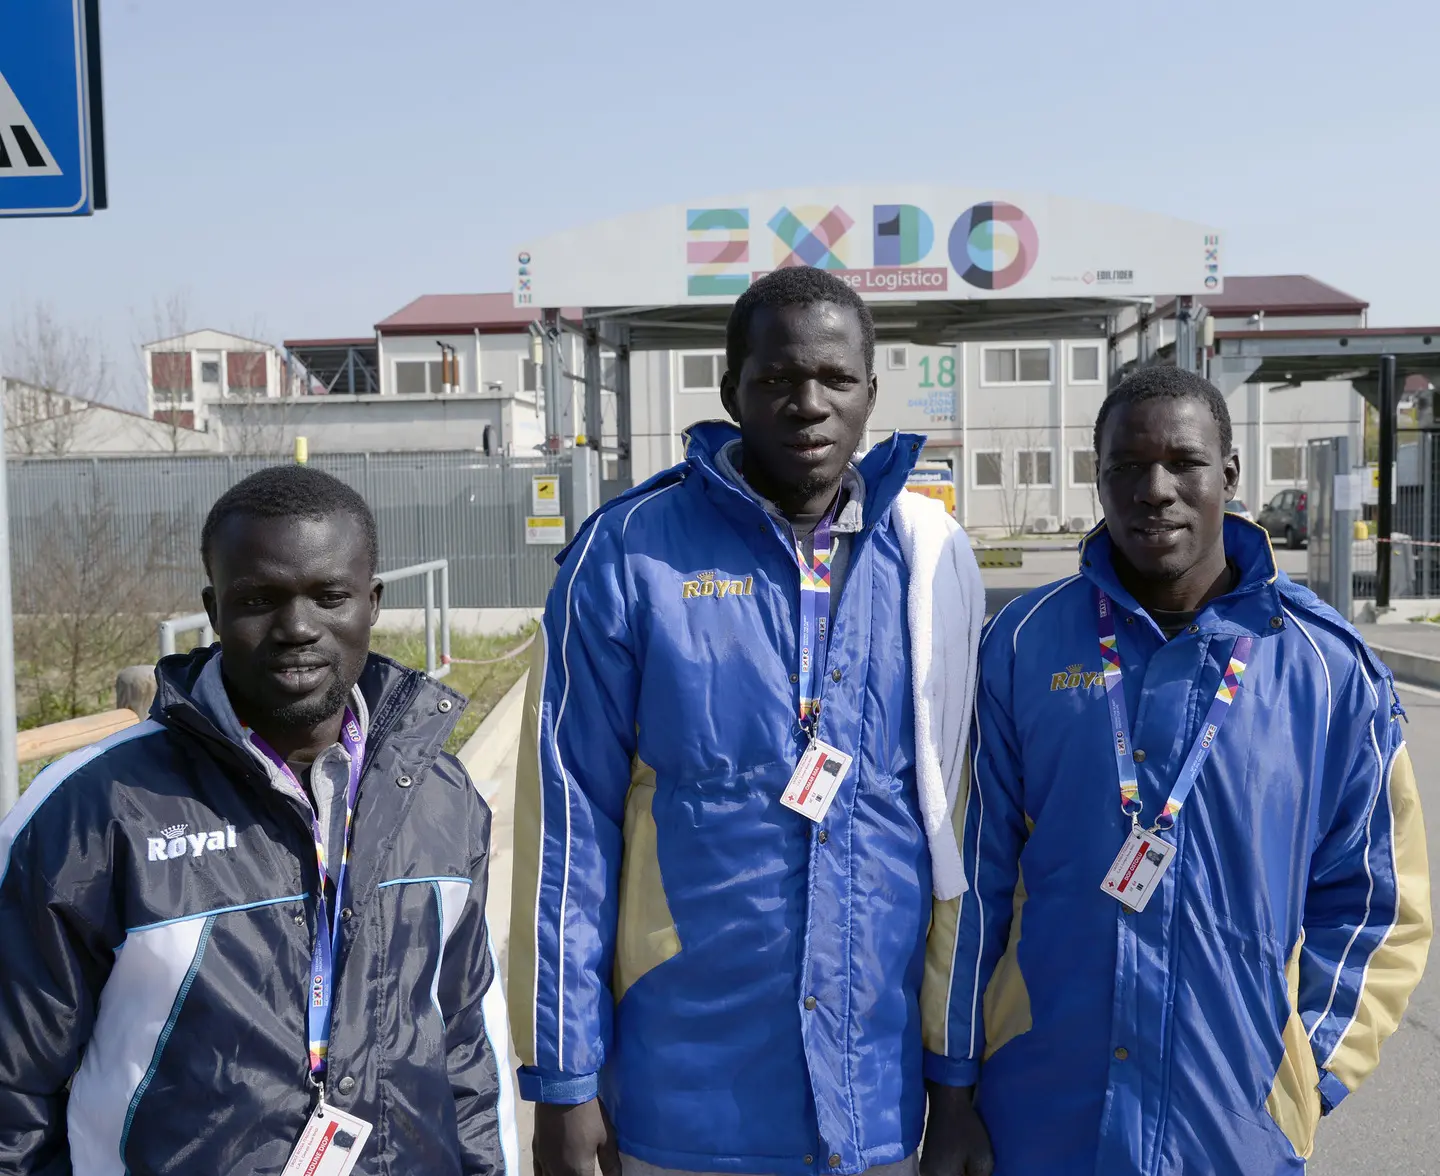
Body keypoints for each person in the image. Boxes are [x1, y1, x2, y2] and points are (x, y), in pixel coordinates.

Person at [508, 266, 990, 1176]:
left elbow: (955, 838)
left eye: (835, 380)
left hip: (873, 1106)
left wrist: (953, 1076)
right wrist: (562, 1084)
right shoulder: (628, 554)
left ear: (871, 394)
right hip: (683, 1105)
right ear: (731, 390)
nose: (808, 404)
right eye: (776, 379)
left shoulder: (926, 563)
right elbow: (567, 836)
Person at [941, 367, 1431, 1173]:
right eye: (1125, 468)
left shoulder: (1327, 669)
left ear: (1229, 476)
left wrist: (1305, 1072)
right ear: (1097, 481)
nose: (1154, 489)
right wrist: (955, 1085)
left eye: (1183, 463)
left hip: (1233, 1131)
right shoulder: (1024, 644)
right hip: (1037, 1115)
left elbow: (1383, 900)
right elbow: (973, 882)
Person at [0, 465, 518, 1175]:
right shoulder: (91, 811)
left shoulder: (443, 797)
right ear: (214, 609)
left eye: (329, 596)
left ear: (372, 602)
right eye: (259, 599)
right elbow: (12, 1091)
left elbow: (465, 1043)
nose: (297, 627)